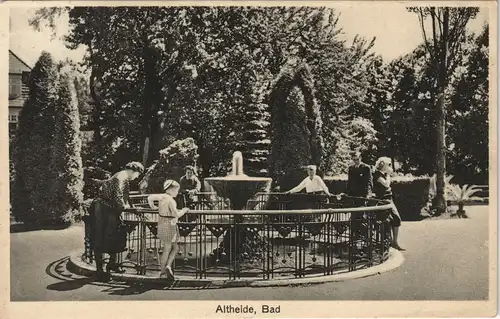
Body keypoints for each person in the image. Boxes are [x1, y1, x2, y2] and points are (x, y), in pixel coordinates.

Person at [89, 161, 144, 282]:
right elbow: (118, 195)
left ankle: (111, 265)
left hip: (107, 209)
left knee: (113, 235)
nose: (137, 177)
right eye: (138, 174)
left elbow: (126, 197)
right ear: (134, 171)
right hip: (103, 209)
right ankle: (100, 270)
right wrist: (127, 209)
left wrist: (131, 207)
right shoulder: (122, 176)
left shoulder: (121, 176)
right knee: (102, 236)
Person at [148, 180, 190, 280]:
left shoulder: (162, 197)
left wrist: (153, 206)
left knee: (174, 247)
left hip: (162, 222)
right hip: (170, 224)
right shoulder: (171, 200)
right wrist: (184, 210)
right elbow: (176, 214)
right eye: (176, 190)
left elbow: (150, 197)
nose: (177, 192)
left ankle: (167, 267)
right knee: (168, 249)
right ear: (171, 189)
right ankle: (163, 271)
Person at [372, 157, 405, 251]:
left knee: (396, 219)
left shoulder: (383, 174)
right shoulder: (377, 175)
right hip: (383, 201)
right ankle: (390, 243)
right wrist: (389, 175)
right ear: (383, 165)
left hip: (389, 200)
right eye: (388, 165)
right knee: (388, 220)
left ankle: (394, 242)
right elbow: (386, 184)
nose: (390, 166)